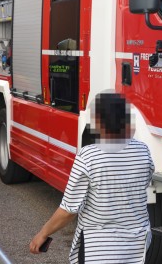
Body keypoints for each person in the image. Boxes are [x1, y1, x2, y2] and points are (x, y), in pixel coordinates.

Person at [29, 92, 154, 263]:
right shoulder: (143, 151)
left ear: (99, 122)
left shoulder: (89, 156)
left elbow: (69, 210)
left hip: (100, 250)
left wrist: (43, 233)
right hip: (136, 247)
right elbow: (144, 182)